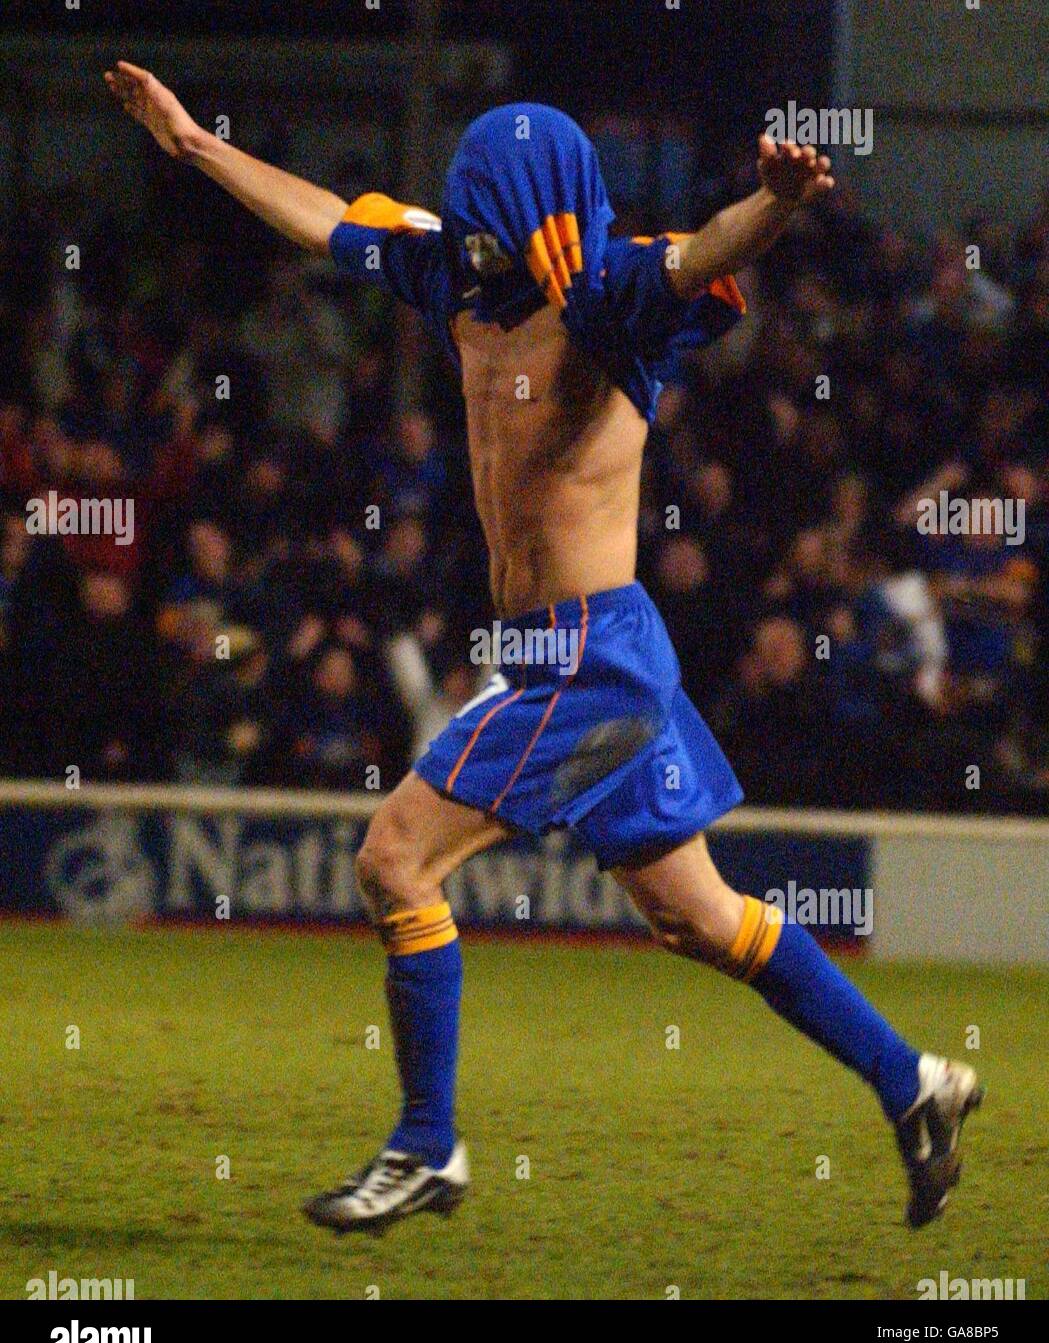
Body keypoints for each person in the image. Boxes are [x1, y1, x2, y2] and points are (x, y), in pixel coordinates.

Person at [106, 63, 982, 1233]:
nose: (467, 242)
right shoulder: (453, 267)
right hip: (578, 652)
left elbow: (704, 255)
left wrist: (774, 201)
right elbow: (324, 216)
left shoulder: (610, 294)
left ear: (539, 213)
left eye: (486, 221)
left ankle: (426, 1148)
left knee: (393, 861)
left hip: (585, 658)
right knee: (697, 916)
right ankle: (910, 1081)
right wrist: (191, 145)